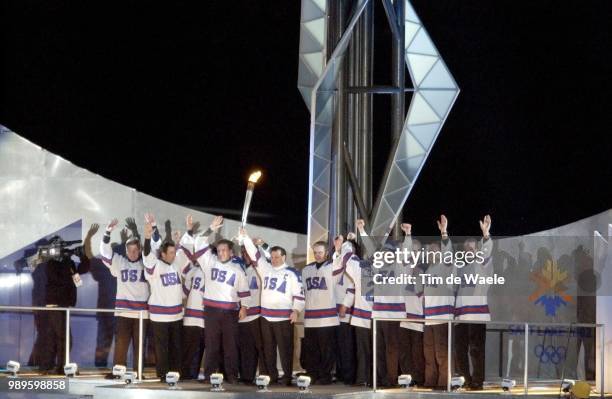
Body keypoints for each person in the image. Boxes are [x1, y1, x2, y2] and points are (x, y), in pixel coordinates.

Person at [182, 215, 251, 384]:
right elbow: (198, 243)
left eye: (224, 250)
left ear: (231, 252)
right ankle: (209, 375)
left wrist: (244, 307)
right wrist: (211, 229)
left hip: (230, 312)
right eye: (219, 250)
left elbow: (244, 292)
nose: (221, 253)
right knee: (211, 345)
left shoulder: (238, 270)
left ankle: (231, 376)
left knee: (230, 346)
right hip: (211, 310)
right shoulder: (209, 262)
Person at [241, 228, 305, 386]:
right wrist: (246, 238)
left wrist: (296, 310)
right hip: (266, 317)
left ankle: (287, 377)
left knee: (285, 349)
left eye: (278, 257)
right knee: (268, 348)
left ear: (284, 257)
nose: (275, 259)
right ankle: (272, 375)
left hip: (284, 317)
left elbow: (299, 294)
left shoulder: (292, 273)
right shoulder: (265, 269)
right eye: (273, 256)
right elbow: (254, 254)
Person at [39, 224, 96, 374]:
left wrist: (81, 255)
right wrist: (68, 257)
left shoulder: (67, 262)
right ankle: (60, 367)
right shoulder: (51, 263)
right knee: (64, 338)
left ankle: (49, 366)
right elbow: (61, 279)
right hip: (55, 305)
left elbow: (83, 270)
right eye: (59, 248)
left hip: (64, 305)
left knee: (55, 337)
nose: (62, 250)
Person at [100, 217, 152, 375]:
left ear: (140, 249)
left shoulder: (147, 263)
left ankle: (138, 373)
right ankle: (118, 372)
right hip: (123, 311)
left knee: (139, 345)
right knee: (121, 344)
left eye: (136, 250)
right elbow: (104, 251)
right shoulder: (119, 262)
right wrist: (107, 231)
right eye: (130, 250)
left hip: (142, 313)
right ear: (126, 251)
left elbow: (151, 252)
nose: (133, 253)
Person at [356, 219, 404, 387]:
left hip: (394, 313)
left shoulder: (400, 265)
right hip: (378, 313)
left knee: (391, 349)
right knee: (378, 348)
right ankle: (381, 379)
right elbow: (370, 246)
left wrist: (408, 235)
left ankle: (391, 380)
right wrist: (361, 230)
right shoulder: (377, 264)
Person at [142, 215, 188, 381]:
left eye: (174, 252)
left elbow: (185, 253)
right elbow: (147, 255)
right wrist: (147, 237)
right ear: (162, 254)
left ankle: (176, 374)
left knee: (176, 347)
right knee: (162, 348)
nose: (173, 255)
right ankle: (163, 375)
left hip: (176, 314)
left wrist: (179, 240)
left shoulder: (176, 264)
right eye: (170, 253)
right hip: (160, 316)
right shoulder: (155, 266)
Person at [454, 215, 493, 390]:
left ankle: (477, 382)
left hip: (476, 314)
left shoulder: (482, 264)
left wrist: (486, 235)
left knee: (476, 350)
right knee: (460, 351)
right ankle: (466, 380)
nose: (468, 251)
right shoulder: (460, 267)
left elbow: (487, 251)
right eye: (466, 249)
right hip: (461, 316)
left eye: (471, 248)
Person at [301, 240, 345, 384]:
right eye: (315, 253)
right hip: (310, 318)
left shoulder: (332, 267)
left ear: (326, 253)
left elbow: (340, 263)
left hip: (328, 317)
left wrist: (337, 250)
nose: (317, 255)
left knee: (326, 350)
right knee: (311, 350)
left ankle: (325, 376)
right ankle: (312, 375)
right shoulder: (306, 269)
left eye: (320, 252)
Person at [422, 215, 455, 389]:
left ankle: (444, 383)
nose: (432, 253)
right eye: (430, 251)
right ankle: (430, 381)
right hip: (429, 318)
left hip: (442, 316)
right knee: (429, 353)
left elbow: (448, 252)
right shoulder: (428, 270)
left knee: (442, 352)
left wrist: (444, 233)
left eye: (435, 251)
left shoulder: (446, 266)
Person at [337, 233, 372, 387]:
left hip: (381, 317)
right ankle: (363, 378)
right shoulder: (360, 268)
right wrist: (347, 242)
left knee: (377, 350)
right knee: (362, 351)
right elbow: (348, 257)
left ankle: (377, 379)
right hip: (362, 316)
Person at [397, 223, 426, 387]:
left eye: (416, 251)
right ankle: (406, 379)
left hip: (418, 318)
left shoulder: (423, 271)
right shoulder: (400, 268)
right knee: (404, 352)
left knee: (417, 352)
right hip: (402, 317)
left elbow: (423, 296)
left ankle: (419, 379)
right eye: (410, 251)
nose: (412, 254)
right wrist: (408, 235)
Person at [178, 228, 206, 380]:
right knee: (189, 349)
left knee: (203, 349)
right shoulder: (192, 271)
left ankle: (202, 375)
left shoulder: (213, 270)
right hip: (190, 317)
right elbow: (185, 291)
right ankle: (187, 375)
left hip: (206, 319)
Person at [238, 246, 267, 384]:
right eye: (243, 253)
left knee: (261, 348)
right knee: (246, 348)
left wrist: (261, 245)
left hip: (258, 314)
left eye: (248, 252)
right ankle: (247, 376)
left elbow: (268, 255)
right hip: (243, 316)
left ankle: (265, 376)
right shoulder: (240, 269)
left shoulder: (261, 268)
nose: (245, 255)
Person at [334, 254, 356, 385]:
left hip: (347, 315)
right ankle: (340, 373)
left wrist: (345, 306)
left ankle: (349, 375)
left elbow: (353, 290)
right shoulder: (337, 267)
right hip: (333, 315)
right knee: (338, 347)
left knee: (347, 347)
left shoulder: (354, 269)